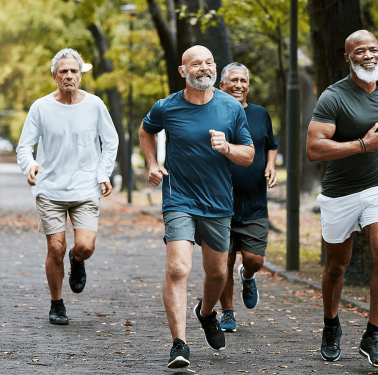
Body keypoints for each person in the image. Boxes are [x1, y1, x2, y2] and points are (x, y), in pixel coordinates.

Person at [139, 46, 254, 369]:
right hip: (179, 199)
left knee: (218, 272)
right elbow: (146, 130)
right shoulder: (167, 107)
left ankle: (205, 313)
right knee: (178, 268)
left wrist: (227, 147)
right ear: (183, 71)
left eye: (209, 63)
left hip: (218, 202)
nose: (204, 68)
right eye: (196, 63)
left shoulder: (231, 107)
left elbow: (248, 154)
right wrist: (152, 164)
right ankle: (179, 344)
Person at [306, 30, 378, 368]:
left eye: (373, 49)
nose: (368, 55)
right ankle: (331, 325)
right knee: (337, 267)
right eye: (360, 51)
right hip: (339, 193)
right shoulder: (333, 97)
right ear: (347, 57)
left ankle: (373, 335)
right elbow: (314, 148)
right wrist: (362, 146)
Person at [16, 48, 119, 326]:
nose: (69, 75)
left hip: (86, 188)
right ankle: (57, 303)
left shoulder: (95, 105)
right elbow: (24, 146)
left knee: (84, 246)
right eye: (64, 71)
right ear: (55, 76)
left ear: (81, 74)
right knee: (55, 249)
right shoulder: (41, 107)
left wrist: (103, 173)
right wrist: (30, 166)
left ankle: (78, 260)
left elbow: (110, 142)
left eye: (74, 71)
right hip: (49, 189)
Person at [217, 63, 278, 332]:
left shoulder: (261, 114)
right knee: (223, 263)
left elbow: (271, 146)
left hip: (254, 202)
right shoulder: (214, 114)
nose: (239, 85)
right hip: (219, 204)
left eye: (243, 80)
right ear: (222, 86)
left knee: (254, 259)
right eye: (233, 80)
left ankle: (248, 275)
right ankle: (227, 312)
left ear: (248, 86)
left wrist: (271, 165)